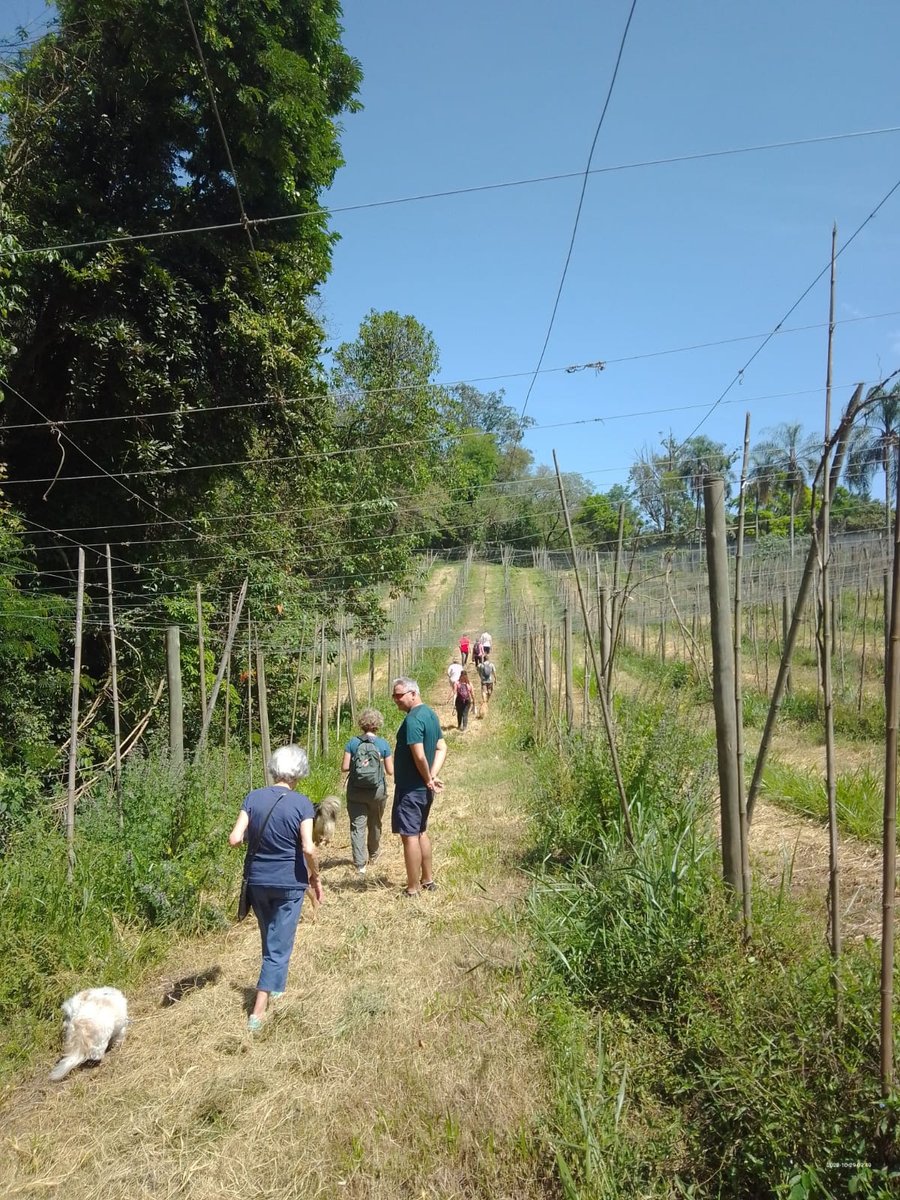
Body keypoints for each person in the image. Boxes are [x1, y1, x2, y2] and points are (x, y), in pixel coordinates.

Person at [228, 745, 323, 1031]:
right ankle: (257, 1012)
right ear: (299, 772)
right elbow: (308, 847)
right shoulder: (302, 803)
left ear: (274, 768)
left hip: (257, 880)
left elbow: (234, 838)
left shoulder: (253, 797)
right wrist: (315, 876)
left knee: (270, 937)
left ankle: (277, 986)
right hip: (288, 882)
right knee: (278, 946)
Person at [390, 677, 447, 897]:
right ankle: (427, 879)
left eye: (399, 695)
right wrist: (432, 777)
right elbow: (442, 747)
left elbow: (419, 753)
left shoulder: (414, 719)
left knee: (410, 836)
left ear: (413, 693)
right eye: (394, 695)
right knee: (421, 831)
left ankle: (412, 888)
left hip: (411, 788)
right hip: (423, 788)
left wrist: (427, 777)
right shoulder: (430, 715)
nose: (395, 700)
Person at [341, 708, 393, 876]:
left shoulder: (352, 743)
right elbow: (390, 771)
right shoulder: (383, 744)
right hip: (377, 791)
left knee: (357, 826)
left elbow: (344, 767)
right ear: (378, 724)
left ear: (361, 724)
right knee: (375, 823)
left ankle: (360, 864)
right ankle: (374, 854)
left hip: (356, 791)